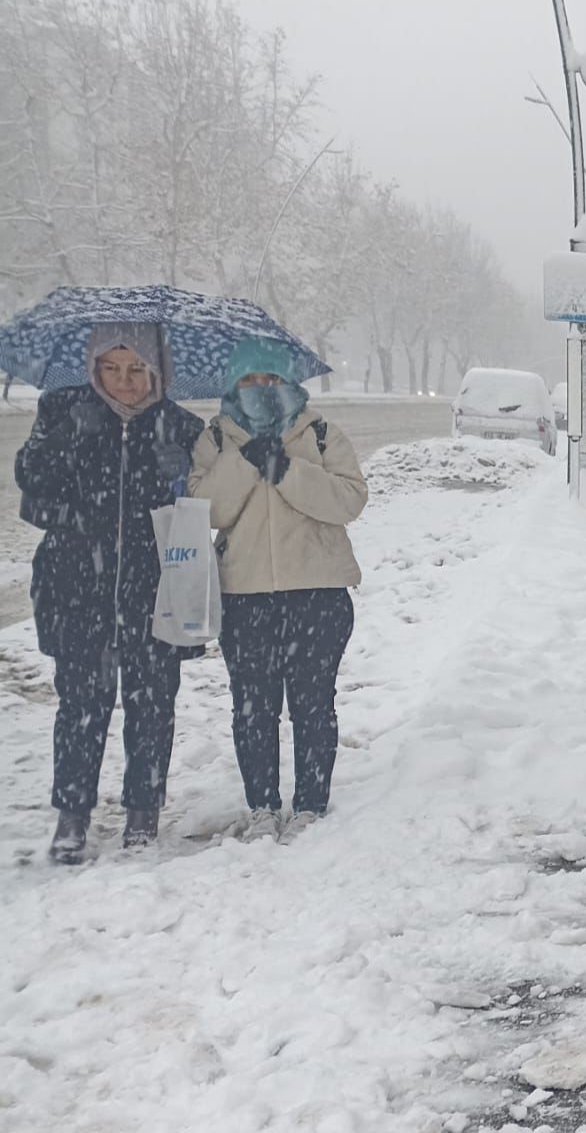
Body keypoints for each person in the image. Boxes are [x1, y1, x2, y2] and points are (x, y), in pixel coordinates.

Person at [17, 323, 203, 862]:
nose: (124, 382)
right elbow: (33, 501)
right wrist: (85, 515)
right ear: (92, 366)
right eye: (110, 369)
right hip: (77, 587)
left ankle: (143, 812)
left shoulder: (181, 425)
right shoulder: (62, 412)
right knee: (80, 706)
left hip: (155, 589)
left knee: (151, 707)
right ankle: (72, 814)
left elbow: (205, 509)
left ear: (158, 370)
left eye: (137, 370)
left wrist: (186, 476)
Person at [190, 336, 368, 841]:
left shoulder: (321, 434)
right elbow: (207, 509)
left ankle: (310, 803)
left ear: (289, 383)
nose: (261, 389)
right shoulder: (217, 440)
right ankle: (262, 806)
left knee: (313, 704)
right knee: (253, 707)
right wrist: (247, 460)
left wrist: (287, 469)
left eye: (271, 379)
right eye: (250, 379)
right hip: (244, 597)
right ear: (234, 385)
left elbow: (349, 501)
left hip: (318, 592)